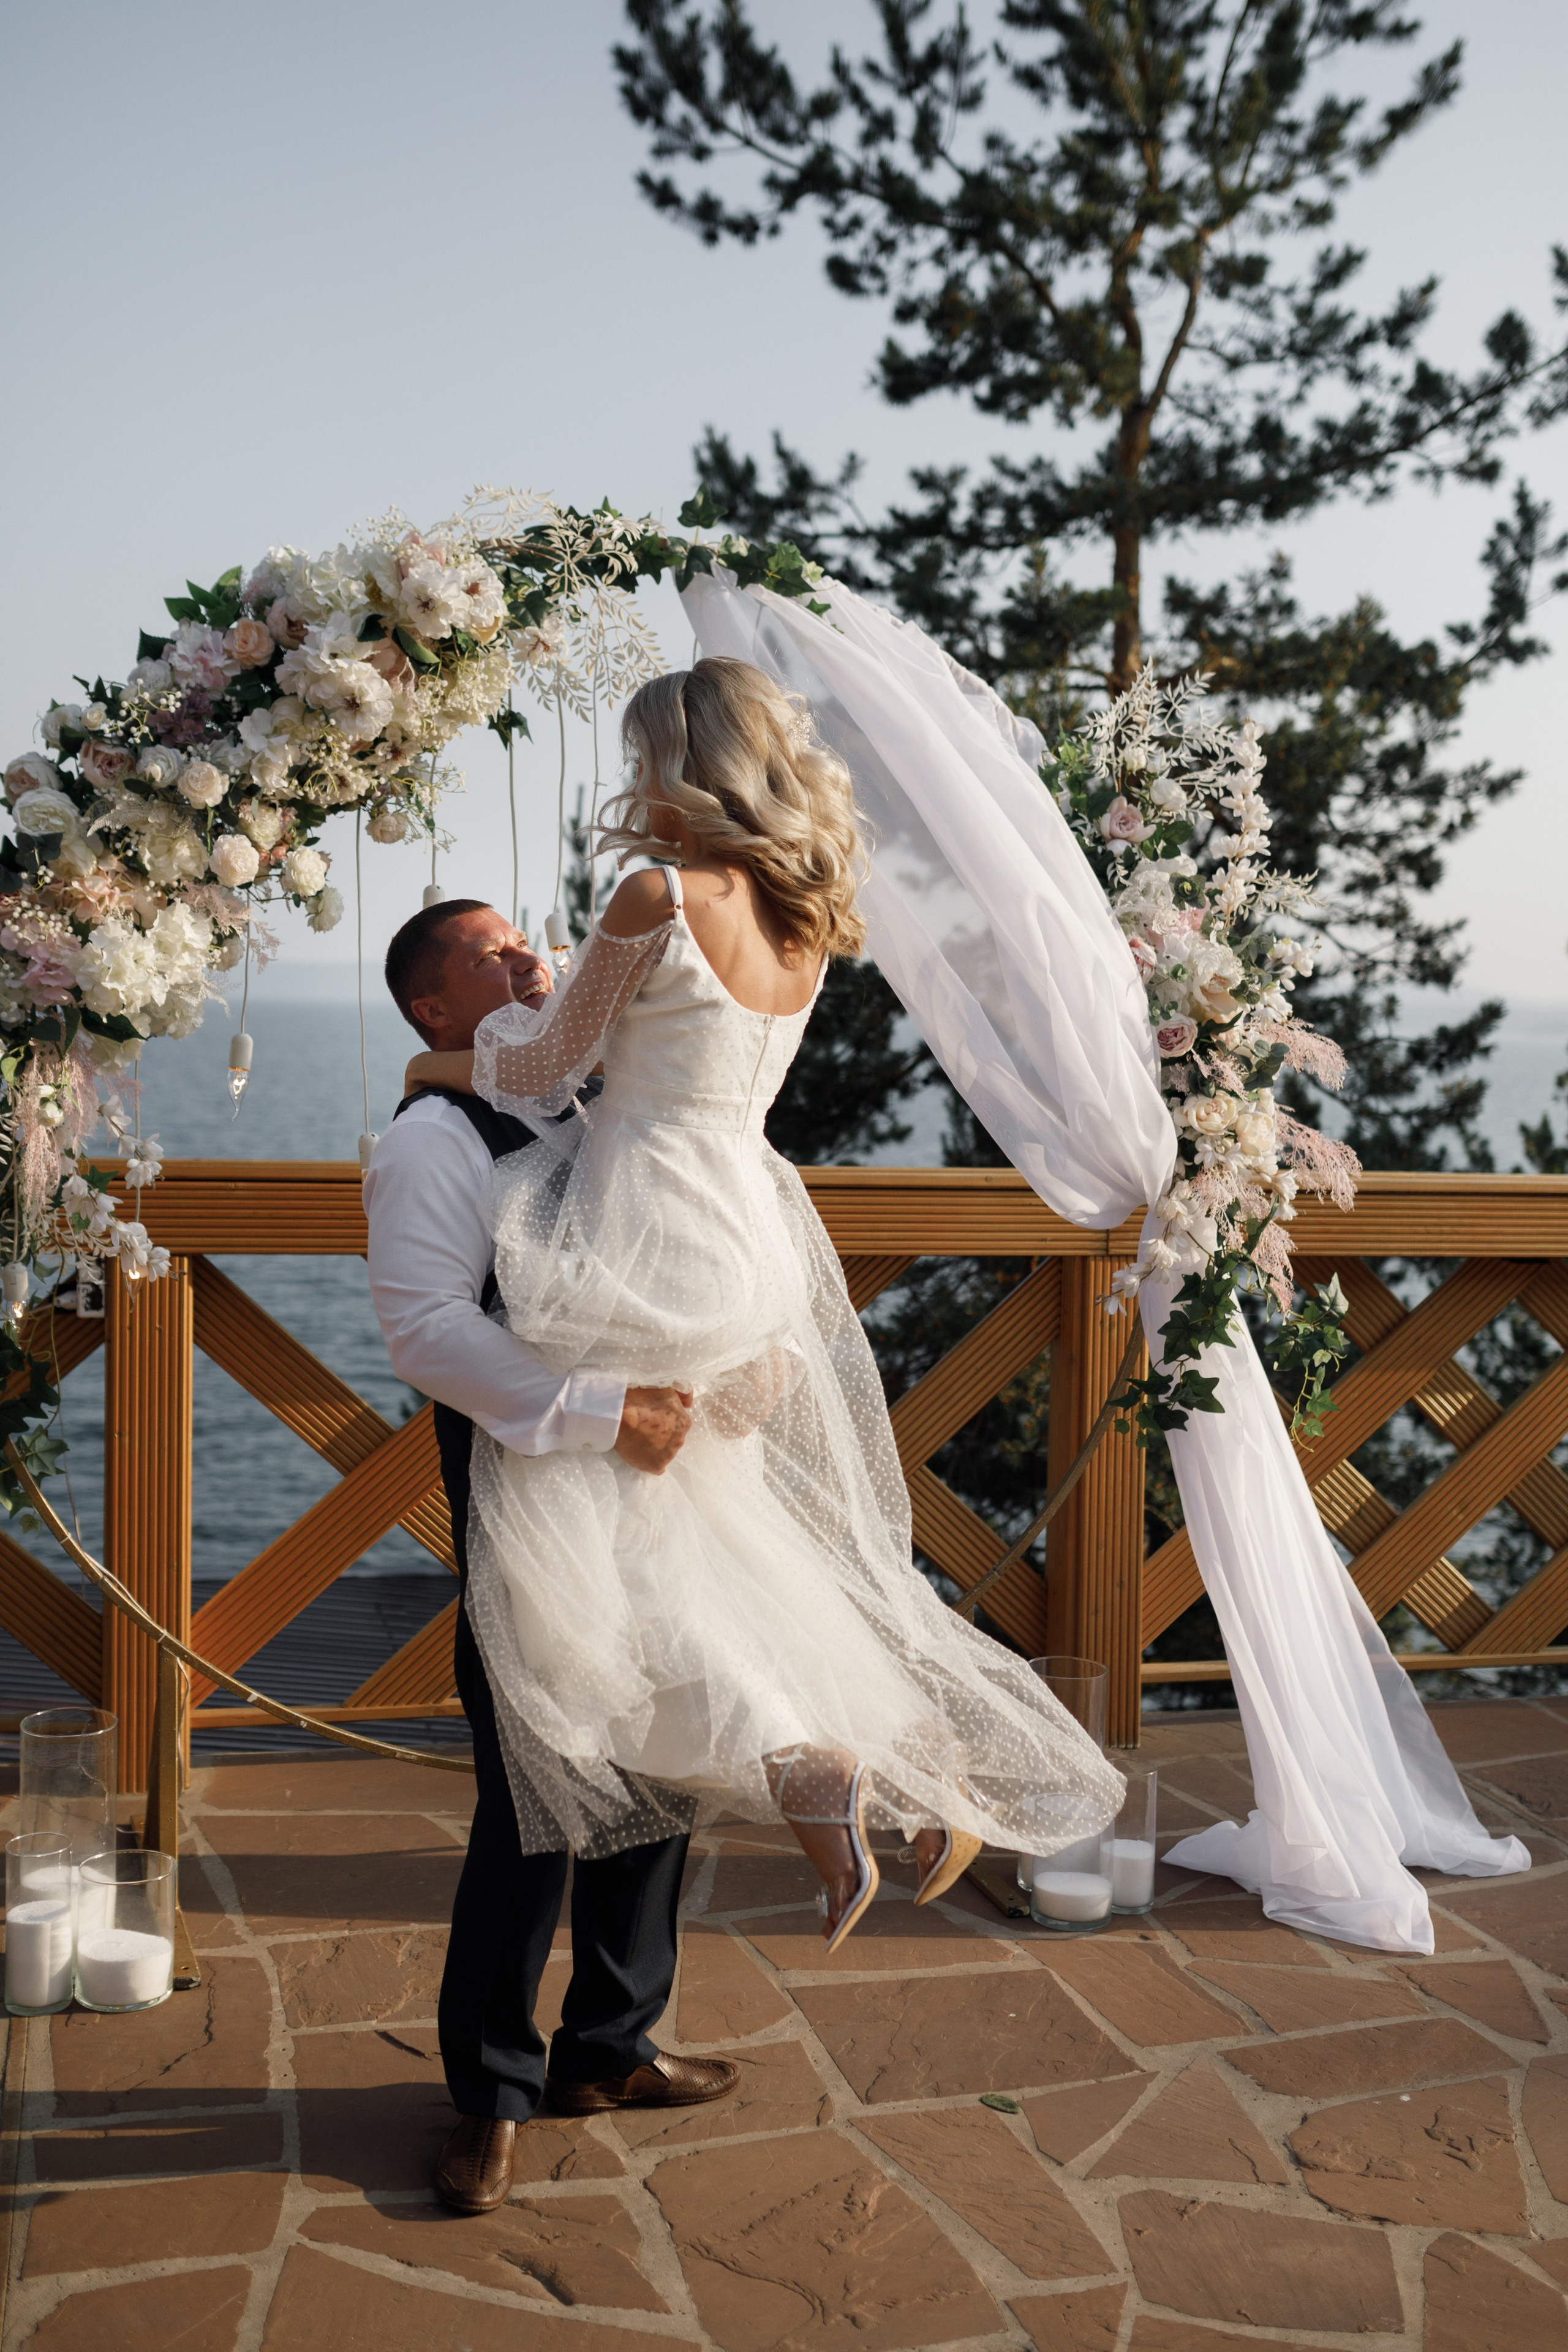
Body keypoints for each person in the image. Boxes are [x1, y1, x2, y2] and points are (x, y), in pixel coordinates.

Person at [400, 659, 1125, 1991]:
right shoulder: (802, 914)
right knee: (707, 1536)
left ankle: (810, 1759)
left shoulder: (659, 895)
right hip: (748, 1230)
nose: (632, 784)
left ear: (680, 765)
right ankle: (886, 1750)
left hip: (645, 1223)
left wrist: (428, 1062)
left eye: (642, 758)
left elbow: (545, 1066)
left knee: (585, 1534)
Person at [364, 898, 739, 2219]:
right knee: (534, 1794)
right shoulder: (430, 1139)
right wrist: (602, 1412)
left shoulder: (589, 1099)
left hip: (656, 1485)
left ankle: (609, 2048)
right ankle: (490, 2094)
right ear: (433, 1009)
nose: (530, 958)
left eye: (528, 939)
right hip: (531, 1482)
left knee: (661, 1754)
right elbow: (423, 1328)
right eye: (492, 956)